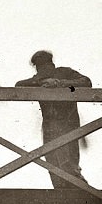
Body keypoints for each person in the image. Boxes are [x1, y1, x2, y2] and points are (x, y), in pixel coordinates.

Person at [15, 50, 92, 189]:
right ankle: (62, 194)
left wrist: (60, 83)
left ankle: (80, 192)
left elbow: (86, 82)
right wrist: (38, 81)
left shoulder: (64, 73)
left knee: (68, 163)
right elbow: (18, 85)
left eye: (41, 67)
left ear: (50, 65)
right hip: (49, 126)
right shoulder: (39, 80)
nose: (39, 71)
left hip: (67, 125)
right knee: (52, 163)